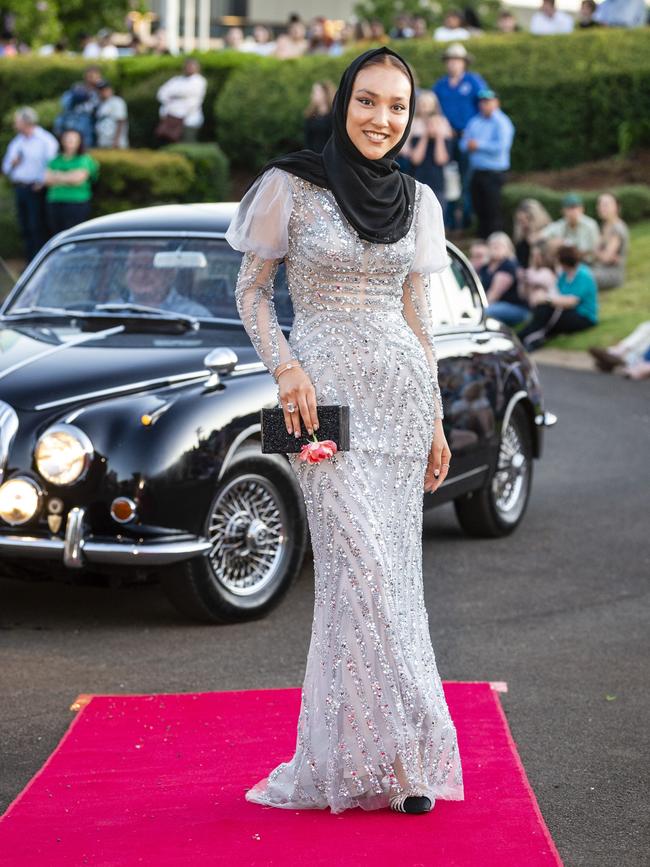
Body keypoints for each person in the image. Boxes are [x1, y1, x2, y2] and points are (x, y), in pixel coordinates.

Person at [225, 46, 464, 816]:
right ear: (343, 100)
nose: (381, 119)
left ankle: (391, 762)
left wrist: (435, 418)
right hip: (318, 402)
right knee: (360, 570)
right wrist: (285, 368)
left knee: (392, 573)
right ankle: (400, 747)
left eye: (397, 106)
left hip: (398, 401)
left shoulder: (418, 200)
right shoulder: (290, 184)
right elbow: (252, 292)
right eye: (368, 101)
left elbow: (418, 317)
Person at [433, 43, 489, 230]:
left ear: (464, 63)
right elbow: (434, 109)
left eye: (457, 60)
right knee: (447, 178)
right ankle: (447, 221)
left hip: (466, 137)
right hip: (448, 138)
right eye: (450, 60)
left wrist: (474, 131)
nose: (453, 64)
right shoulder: (440, 85)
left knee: (466, 178)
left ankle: (465, 221)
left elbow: (484, 104)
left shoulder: (474, 82)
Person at [1, 106, 58, 261]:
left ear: (26, 122)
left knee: (37, 227)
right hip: (20, 188)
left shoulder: (45, 140)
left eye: (17, 121)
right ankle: (29, 262)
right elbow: (5, 167)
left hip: (36, 189)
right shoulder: (17, 141)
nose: (14, 125)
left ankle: (40, 262)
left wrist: (41, 182)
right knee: (25, 228)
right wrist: (13, 164)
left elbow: (51, 164)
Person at [518, 244, 598, 350]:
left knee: (546, 311)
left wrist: (547, 299)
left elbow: (572, 302)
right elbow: (557, 294)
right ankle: (527, 337)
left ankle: (528, 337)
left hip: (583, 316)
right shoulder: (564, 276)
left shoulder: (583, 275)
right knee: (544, 310)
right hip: (566, 312)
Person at [460, 88, 515, 239]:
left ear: (497, 103)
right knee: (479, 208)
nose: (484, 105)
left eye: (488, 102)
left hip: (494, 173)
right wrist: (471, 145)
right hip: (477, 171)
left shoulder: (502, 123)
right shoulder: (475, 121)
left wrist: (478, 145)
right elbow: (463, 145)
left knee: (493, 210)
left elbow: (502, 147)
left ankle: (495, 242)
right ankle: (483, 240)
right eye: (482, 102)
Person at [120, 246, 212, 318]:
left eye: (150, 267)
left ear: (170, 273)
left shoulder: (194, 315)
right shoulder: (110, 311)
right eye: (134, 266)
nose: (141, 274)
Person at [400, 90, 453, 210]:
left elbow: (441, 159)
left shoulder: (443, 123)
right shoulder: (413, 124)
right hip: (416, 178)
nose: (426, 108)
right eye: (423, 103)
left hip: (437, 181)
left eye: (428, 104)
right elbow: (413, 158)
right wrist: (425, 135)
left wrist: (438, 135)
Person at [44, 128, 99, 235]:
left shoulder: (84, 159)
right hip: (55, 203)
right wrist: (68, 177)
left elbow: (78, 179)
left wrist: (57, 176)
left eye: (73, 140)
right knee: (56, 234)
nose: (70, 142)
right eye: (67, 139)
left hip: (76, 204)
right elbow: (47, 180)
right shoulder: (55, 159)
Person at [481, 232, 530, 326]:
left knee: (484, 312)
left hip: (515, 307)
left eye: (499, 245)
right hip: (496, 305)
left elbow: (494, 295)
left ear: (508, 248)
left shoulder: (508, 265)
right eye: (493, 245)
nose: (495, 248)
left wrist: (478, 309)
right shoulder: (485, 267)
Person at [539, 193, 600, 264]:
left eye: (575, 208)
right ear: (563, 211)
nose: (572, 212)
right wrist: (551, 243)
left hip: (587, 264)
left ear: (582, 209)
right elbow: (540, 236)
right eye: (569, 209)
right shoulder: (559, 224)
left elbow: (595, 250)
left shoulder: (590, 225)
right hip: (564, 265)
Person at [156, 58, 207, 143]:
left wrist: (174, 95)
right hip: (171, 119)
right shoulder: (176, 80)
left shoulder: (199, 81)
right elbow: (162, 93)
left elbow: (191, 96)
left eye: (192, 67)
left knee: (187, 143)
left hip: (189, 120)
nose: (189, 69)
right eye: (187, 66)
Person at [56, 66, 102, 148]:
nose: (92, 79)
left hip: (88, 129)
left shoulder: (100, 91)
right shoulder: (77, 88)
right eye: (90, 76)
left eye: (95, 77)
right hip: (71, 124)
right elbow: (64, 104)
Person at [592, 192, 629, 290]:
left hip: (611, 274)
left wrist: (596, 252)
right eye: (599, 204)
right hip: (599, 268)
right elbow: (598, 251)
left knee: (581, 277)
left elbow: (605, 258)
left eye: (605, 205)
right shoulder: (605, 225)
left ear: (616, 207)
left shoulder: (618, 228)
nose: (601, 207)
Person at [513, 198, 552, 267]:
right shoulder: (521, 241)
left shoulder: (549, 233)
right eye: (521, 221)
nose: (525, 224)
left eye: (528, 219)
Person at [95, 80, 129, 149]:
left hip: (115, 143)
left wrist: (116, 141)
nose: (103, 92)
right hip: (103, 142)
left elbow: (121, 121)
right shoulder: (100, 104)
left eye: (105, 89)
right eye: (101, 90)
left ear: (110, 89)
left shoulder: (117, 101)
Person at [303, 81, 335, 152]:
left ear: (324, 94)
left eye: (315, 92)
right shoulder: (310, 116)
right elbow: (307, 141)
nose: (312, 95)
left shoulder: (334, 116)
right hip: (314, 158)